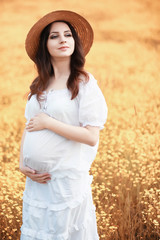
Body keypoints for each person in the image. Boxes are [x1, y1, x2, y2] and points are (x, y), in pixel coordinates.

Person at [19, 10, 108, 240]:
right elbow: (29, 125)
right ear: (44, 45)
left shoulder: (83, 82)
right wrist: (22, 163)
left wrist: (49, 122)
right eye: (54, 36)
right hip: (37, 185)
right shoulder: (39, 84)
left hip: (66, 185)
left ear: (74, 42)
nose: (62, 40)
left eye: (67, 35)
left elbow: (91, 136)